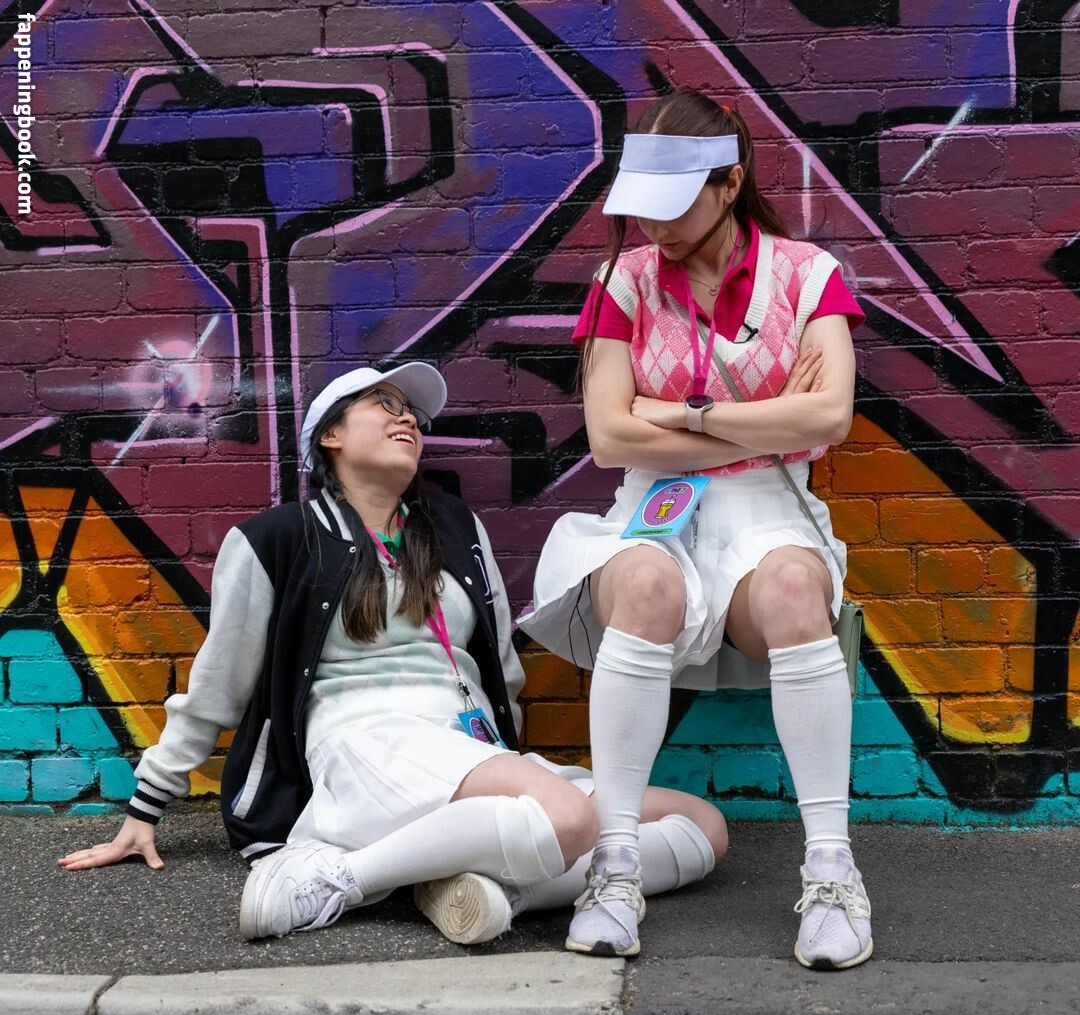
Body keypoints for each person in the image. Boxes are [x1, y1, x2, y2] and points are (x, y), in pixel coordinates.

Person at [58, 363, 727, 947]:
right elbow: (216, 686)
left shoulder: (455, 528)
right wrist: (146, 807)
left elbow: (500, 663)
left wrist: (505, 764)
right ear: (331, 435)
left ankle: (494, 893)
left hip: (462, 749)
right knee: (570, 818)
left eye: (412, 413)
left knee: (700, 825)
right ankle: (335, 878)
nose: (407, 419)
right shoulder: (279, 538)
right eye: (384, 405)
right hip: (365, 747)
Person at [517, 90, 869, 969]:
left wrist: (684, 413)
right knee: (644, 584)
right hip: (654, 505)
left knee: (796, 586)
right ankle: (616, 868)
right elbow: (609, 436)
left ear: (730, 183)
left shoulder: (807, 274)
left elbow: (829, 417)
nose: (654, 227)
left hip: (771, 506)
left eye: (674, 206)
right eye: (644, 207)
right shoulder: (623, 280)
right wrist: (768, 418)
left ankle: (833, 874)